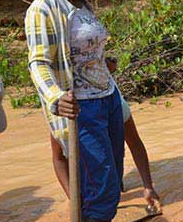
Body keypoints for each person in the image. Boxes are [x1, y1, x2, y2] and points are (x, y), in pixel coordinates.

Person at [25, 0, 143, 222]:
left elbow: (79, 52)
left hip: (105, 97)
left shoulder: (81, 0)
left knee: (112, 178)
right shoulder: (44, 8)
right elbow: (39, 64)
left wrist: (101, 65)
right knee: (99, 185)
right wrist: (56, 97)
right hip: (80, 109)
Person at [49, 57, 162, 212]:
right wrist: (74, 200)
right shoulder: (62, 114)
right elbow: (59, 158)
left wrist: (148, 186)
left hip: (102, 92)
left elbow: (135, 144)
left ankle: (114, 182)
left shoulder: (117, 109)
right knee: (92, 189)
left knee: (112, 181)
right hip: (74, 99)